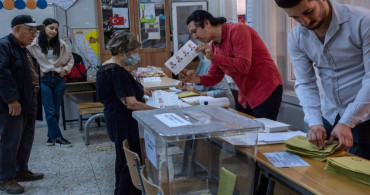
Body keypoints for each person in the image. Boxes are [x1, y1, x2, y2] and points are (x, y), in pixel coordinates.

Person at [275, 0, 370, 159]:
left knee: (360, 179)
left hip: (365, 116)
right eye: (295, 17)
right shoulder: (297, 37)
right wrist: (314, 122)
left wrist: (347, 121)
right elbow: (305, 83)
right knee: (324, 174)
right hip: (330, 114)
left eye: (308, 12)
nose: (305, 22)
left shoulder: (363, 21)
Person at [180, 10, 283, 120]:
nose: (194, 37)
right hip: (246, 94)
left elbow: (243, 66)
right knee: (243, 130)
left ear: (206, 23)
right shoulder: (214, 46)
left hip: (265, 89)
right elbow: (215, 77)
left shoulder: (238, 30)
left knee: (263, 133)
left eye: (195, 31)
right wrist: (197, 79)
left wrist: (214, 57)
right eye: (192, 33)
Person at [96, 31, 156, 195]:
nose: (136, 56)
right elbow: (131, 103)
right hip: (124, 122)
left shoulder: (107, 67)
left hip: (115, 119)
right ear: (123, 51)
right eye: (134, 52)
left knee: (123, 160)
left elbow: (120, 94)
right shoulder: (116, 71)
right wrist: (158, 111)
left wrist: (141, 92)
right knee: (129, 163)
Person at [0, 15, 45, 194]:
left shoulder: (24, 48)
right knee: (10, 141)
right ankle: (5, 177)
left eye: (36, 31)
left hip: (28, 101)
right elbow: (1, 74)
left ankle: (21, 170)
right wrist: (11, 100)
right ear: (17, 29)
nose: (34, 35)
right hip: (12, 103)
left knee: (26, 139)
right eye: (31, 30)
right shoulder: (4, 46)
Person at [28, 18, 73, 147]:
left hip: (58, 78)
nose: (54, 31)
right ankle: (58, 137)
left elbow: (70, 59)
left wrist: (65, 69)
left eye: (56, 29)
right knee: (50, 110)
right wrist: (37, 71)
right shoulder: (34, 44)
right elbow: (28, 61)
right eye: (51, 28)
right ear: (44, 28)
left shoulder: (61, 43)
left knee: (56, 110)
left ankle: (50, 137)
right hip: (44, 79)